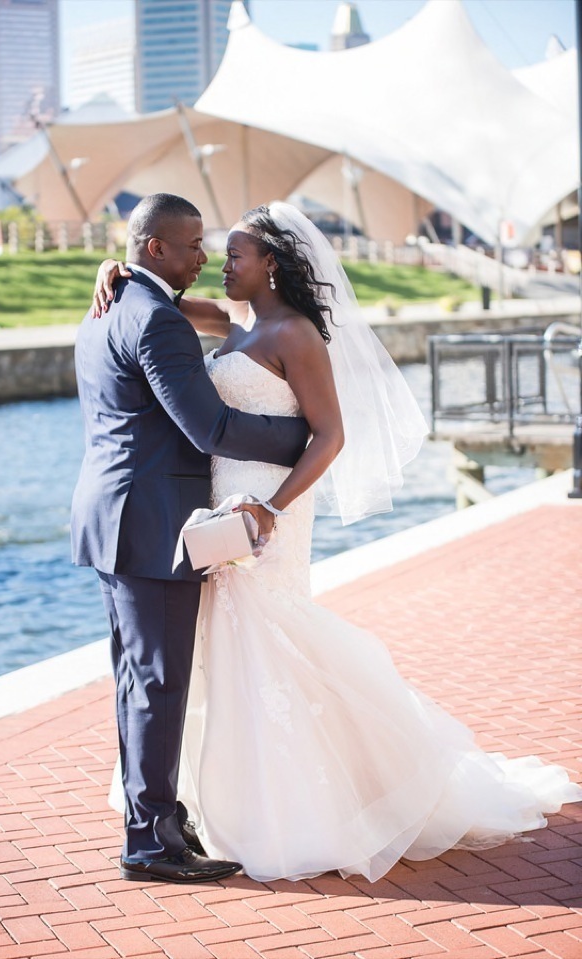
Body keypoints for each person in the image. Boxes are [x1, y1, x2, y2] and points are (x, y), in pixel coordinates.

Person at [94, 202, 582, 883]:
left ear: (270, 264)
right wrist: (115, 268)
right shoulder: (234, 319)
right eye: (217, 252)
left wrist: (273, 506)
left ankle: (302, 810)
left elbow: (331, 435)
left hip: (269, 509)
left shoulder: (295, 335)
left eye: (234, 255)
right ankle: (220, 806)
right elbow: (166, 303)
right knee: (217, 652)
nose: (221, 263)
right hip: (220, 508)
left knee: (272, 641)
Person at [71, 193, 310, 885]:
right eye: (193, 244)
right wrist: (304, 436)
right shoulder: (157, 320)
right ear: (156, 248)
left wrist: (111, 266)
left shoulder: (112, 305)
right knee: (158, 682)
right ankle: (151, 843)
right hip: (150, 526)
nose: (204, 256)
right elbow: (211, 429)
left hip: (114, 519)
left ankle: (157, 818)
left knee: (136, 679)